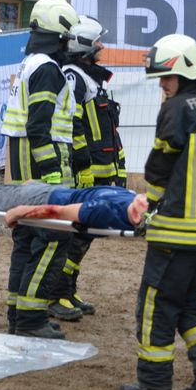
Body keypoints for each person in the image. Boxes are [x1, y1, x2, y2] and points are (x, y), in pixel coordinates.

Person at [118, 33, 196, 390]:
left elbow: (160, 164)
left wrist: (146, 206)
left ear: (184, 73)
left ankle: (153, 382)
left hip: (178, 231)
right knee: (185, 300)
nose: (163, 86)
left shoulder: (177, 109)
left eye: (166, 78)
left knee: (154, 303)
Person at [1, 0, 79, 338]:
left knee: (27, 239)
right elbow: (39, 126)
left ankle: (17, 312)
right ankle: (31, 319)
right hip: (41, 160)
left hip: (21, 159)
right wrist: (50, 175)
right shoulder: (47, 68)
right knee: (51, 237)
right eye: (66, 38)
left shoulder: (30, 63)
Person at [51, 17, 126, 320]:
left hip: (102, 167)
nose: (101, 47)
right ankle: (56, 293)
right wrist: (82, 165)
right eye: (97, 42)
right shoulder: (74, 76)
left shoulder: (91, 78)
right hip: (87, 169)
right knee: (77, 233)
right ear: (83, 45)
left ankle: (67, 289)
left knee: (87, 233)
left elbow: (108, 129)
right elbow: (73, 124)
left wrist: (118, 170)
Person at [0, 181, 146, 232]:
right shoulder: (129, 196)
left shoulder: (106, 212)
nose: (144, 201)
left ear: (136, 217)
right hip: (53, 192)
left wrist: (20, 213)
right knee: (2, 193)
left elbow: (60, 212)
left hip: (46, 199)